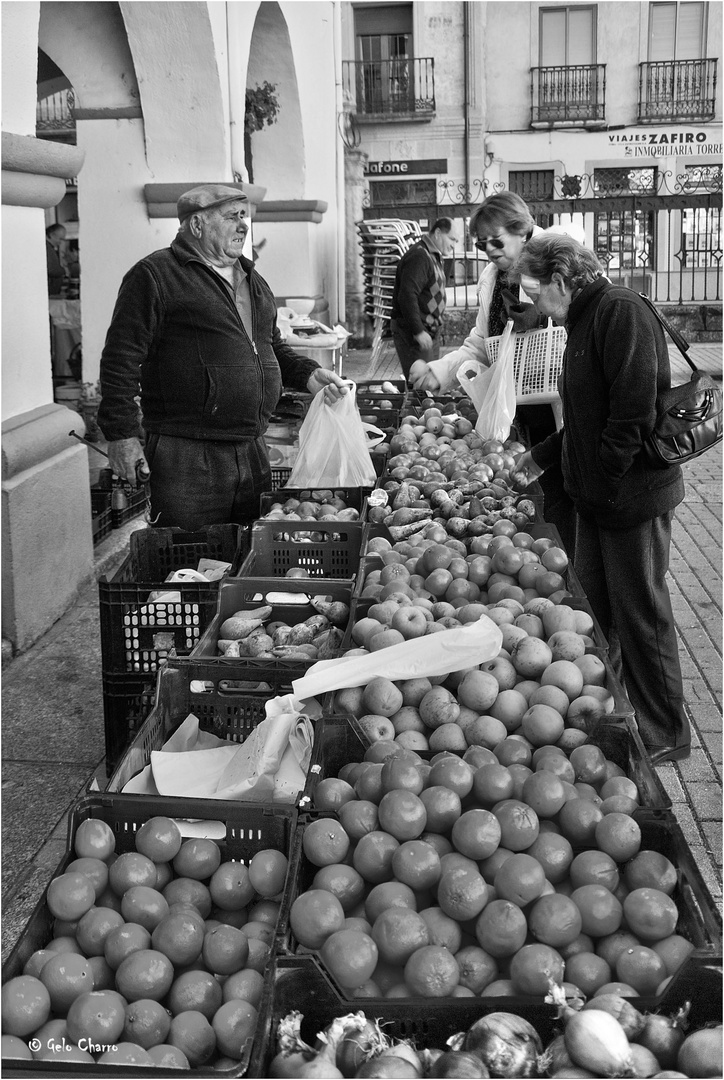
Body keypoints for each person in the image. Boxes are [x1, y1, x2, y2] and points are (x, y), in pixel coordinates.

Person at [510, 232, 690, 767]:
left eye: (533, 291)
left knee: (641, 613)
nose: (529, 304)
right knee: (591, 611)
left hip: (630, 500)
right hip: (599, 500)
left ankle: (666, 731)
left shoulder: (620, 313)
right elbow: (586, 416)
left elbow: (631, 414)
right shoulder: (581, 321)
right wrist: (542, 455)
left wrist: (606, 483)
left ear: (561, 282)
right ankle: (609, 708)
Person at [97, 184, 347, 530]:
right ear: (197, 225)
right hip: (187, 455)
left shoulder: (252, 280)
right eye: (232, 217)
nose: (243, 226)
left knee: (245, 557)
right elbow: (119, 359)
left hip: (250, 449)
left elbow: (270, 344)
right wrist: (121, 435)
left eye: (244, 216)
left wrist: (309, 374)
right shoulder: (156, 276)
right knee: (188, 560)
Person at [409, 192, 575, 550]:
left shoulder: (557, 260)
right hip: (516, 408)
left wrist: (545, 316)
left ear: (523, 230)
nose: (490, 250)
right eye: (482, 244)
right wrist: (441, 370)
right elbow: (481, 343)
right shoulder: (492, 278)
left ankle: (567, 562)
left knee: (562, 495)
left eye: (496, 241)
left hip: (558, 404)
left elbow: (584, 312)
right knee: (532, 494)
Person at [389, 217, 457, 383]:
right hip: (415, 333)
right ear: (438, 233)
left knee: (429, 382)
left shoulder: (431, 255)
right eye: (452, 239)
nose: (454, 244)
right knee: (421, 384)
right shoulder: (420, 256)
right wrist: (418, 331)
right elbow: (407, 295)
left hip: (428, 331)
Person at [46, 223, 66, 296]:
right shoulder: (46, 248)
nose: (60, 242)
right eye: (60, 239)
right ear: (51, 235)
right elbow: (51, 269)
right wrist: (63, 271)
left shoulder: (49, 247)